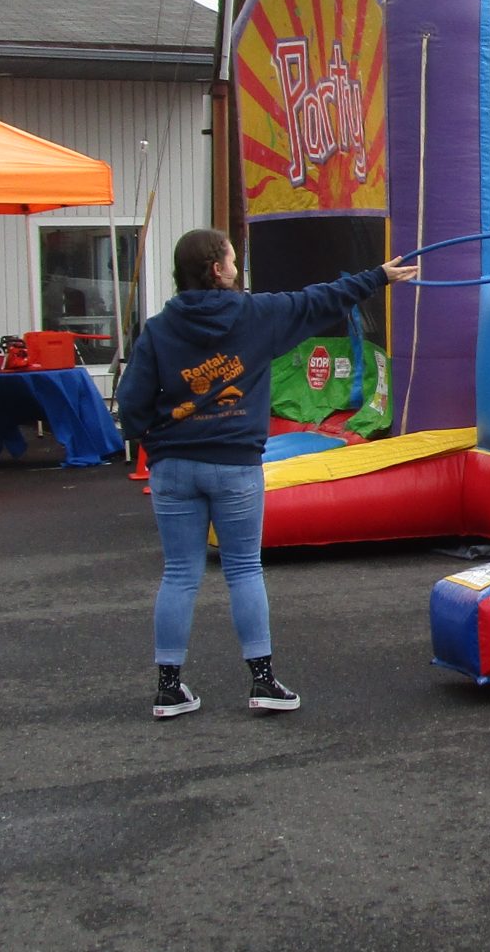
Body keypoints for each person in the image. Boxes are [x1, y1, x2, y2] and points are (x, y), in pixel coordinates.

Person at [116, 228, 418, 720]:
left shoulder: (158, 329)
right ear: (218, 270)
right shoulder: (254, 315)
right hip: (234, 464)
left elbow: (131, 404)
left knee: (178, 575)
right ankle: (262, 682)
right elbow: (317, 300)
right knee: (243, 570)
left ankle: (168, 689)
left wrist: (156, 443)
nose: (238, 268)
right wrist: (378, 278)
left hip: (173, 466)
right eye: (233, 260)